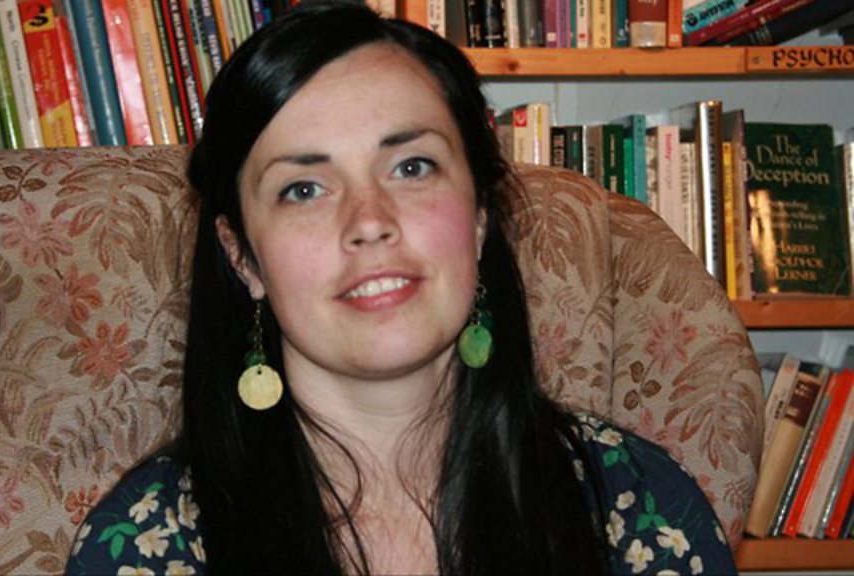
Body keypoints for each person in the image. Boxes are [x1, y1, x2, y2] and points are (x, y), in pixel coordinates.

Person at [65, 2, 737, 574]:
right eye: (303, 189)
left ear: (479, 216)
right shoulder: (148, 545)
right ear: (242, 257)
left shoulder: (637, 510)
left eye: (412, 167)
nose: (369, 222)